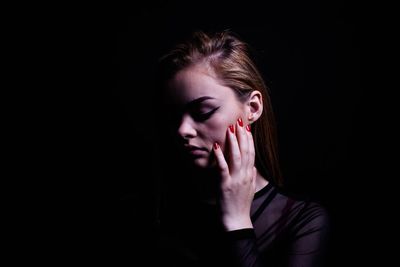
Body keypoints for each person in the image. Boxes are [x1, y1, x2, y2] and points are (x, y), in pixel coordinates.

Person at [153, 30, 330, 267]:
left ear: (253, 108)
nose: (182, 130)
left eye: (203, 112)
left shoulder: (302, 220)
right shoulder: (155, 212)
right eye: (174, 116)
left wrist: (237, 222)